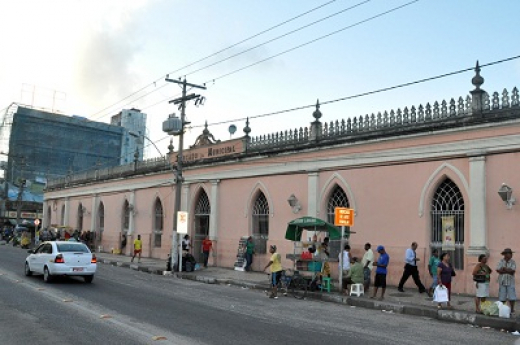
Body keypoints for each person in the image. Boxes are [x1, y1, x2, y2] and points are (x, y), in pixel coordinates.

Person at [496, 248, 516, 315]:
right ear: (505, 254)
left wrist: (504, 269)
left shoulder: (513, 262)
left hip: (510, 281)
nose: (511, 255)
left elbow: (512, 271)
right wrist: (508, 270)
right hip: (502, 281)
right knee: (502, 297)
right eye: (509, 253)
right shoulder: (500, 261)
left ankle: (512, 310)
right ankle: (502, 309)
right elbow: (498, 270)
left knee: (512, 297)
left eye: (511, 253)